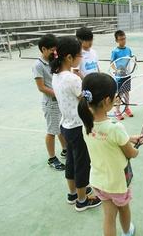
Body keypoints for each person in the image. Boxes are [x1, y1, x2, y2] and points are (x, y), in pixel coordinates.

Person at [78, 73, 140, 236]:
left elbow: (106, 141)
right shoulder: (115, 128)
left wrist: (129, 138)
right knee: (124, 209)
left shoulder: (86, 125)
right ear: (107, 101)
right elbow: (130, 153)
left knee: (108, 217)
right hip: (118, 183)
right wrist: (136, 148)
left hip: (98, 182)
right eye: (114, 97)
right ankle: (127, 232)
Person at [50, 37, 101, 212]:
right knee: (82, 164)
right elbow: (86, 102)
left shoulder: (56, 76)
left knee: (71, 161)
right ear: (70, 58)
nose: (82, 57)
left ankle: (73, 193)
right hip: (79, 128)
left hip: (66, 127)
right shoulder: (72, 79)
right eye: (80, 54)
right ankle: (82, 200)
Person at [32, 34, 66, 171]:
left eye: (55, 49)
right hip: (51, 103)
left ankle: (65, 149)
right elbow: (41, 87)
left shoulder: (54, 60)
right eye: (52, 49)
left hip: (59, 101)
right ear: (43, 49)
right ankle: (52, 158)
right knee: (52, 131)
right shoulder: (38, 65)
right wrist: (59, 93)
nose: (54, 52)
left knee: (61, 127)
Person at [111, 30, 134, 120]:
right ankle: (117, 111)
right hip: (119, 76)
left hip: (127, 75)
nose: (123, 41)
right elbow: (112, 63)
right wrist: (116, 70)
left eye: (124, 39)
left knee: (127, 92)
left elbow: (130, 60)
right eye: (120, 39)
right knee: (119, 94)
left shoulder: (128, 49)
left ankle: (127, 108)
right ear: (117, 40)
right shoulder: (115, 51)